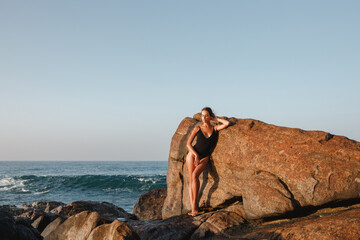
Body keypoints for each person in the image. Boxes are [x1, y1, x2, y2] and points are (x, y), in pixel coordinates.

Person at [186, 107, 230, 216]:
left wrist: (216, 118)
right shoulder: (198, 128)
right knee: (191, 179)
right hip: (192, 155)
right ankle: (194, 209)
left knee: (195, 175)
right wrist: (195, 155)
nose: (204, 118)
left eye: (206, 115)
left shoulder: (215, 129)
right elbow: (188, 144)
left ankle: (194, 208)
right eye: (202, 115)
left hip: (205, 157)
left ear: (210, 116)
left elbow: (227, 123)